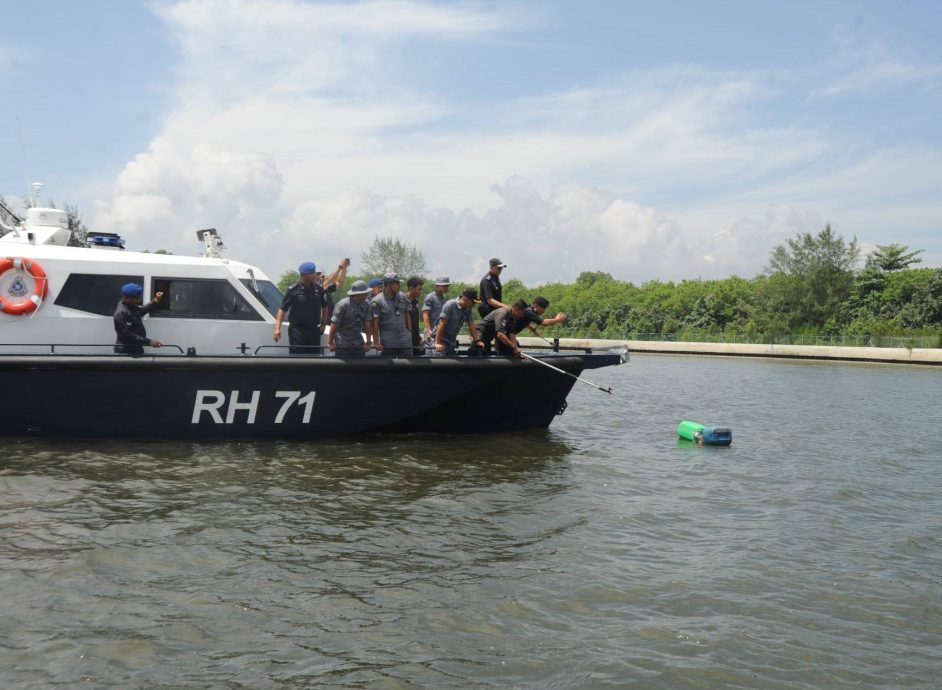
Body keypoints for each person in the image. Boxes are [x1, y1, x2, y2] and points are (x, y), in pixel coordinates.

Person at [273, 261, 328, 354]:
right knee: (297, 358)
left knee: (315, 358)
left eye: (314, 272)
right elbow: (282, 310)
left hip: (314, 330)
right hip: (297, 331)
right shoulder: (293, 289)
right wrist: (277, 329)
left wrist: (323, 324)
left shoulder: (319, 288)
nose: (315, 275)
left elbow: (325, 306)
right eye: (312, 273)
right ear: (304, 275)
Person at [113, 282, 164, 356]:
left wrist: (156, 300)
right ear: (127, 298)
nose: (139, 300)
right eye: (136, 298)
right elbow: (127, 335)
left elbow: (142, 310)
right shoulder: (121, 313)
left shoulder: (131, 306)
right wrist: (149, 342)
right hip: (126, 352)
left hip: (135, 349)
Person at [370, 273, 413, 357]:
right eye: (397, 283)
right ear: (388, 285)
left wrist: (409, 332)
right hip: (389, 342)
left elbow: (407, 313)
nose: (399, 285)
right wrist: (376, 343)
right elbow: (375, 324)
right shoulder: (377, 301)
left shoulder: (402, 296)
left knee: (408, 363)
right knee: (390, 364)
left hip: (405, 341)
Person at [433, 288, 484, 356]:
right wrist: (437, 343)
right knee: (440, 359)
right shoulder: (450, 305)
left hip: (451, 343)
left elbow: (471, 324)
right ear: (466, 299)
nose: (474, 304)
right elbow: (441, 324)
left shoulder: (468, 309)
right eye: (473, 302)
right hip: (439, 340)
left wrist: (477, 341)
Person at [328, 280, 372, 357]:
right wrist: (330, 343)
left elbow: (367, 323)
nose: (366, 295)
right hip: (343, 343)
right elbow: (334, 324)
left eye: (366, 293)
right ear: (357, 294)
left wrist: (368, 342)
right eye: (364, 294)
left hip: (358, 342)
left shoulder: (366, 304)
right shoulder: (342, 305)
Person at [421, 276, 451, 345]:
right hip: (431, 332)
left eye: (447, 286)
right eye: (445, 286)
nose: (447, 288)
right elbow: (425, 314)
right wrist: (428, 330)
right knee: (430, 351)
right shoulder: (430, 297)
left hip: (438, 332)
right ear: (438, 285)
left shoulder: (443, 298)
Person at [406, 276, 424, 355]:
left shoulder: (415, 302)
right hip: (406, 340)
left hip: (415, 340)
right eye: (419, 289)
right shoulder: (402, 302)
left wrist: (418, 339)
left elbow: (415, 324)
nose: (420, 292)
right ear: (411, 289)